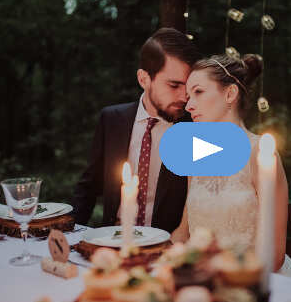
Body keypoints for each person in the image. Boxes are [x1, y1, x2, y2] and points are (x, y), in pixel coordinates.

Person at [171, 54, 291, 277]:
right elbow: (183, 233)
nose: (189, 106)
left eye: (198, 92)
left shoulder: (261, 154)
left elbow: (274, 255)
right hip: (205, 277)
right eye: (188, 97)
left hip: (257, 280)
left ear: (230, 93)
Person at [70, 28, 201, 232]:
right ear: (143, 79)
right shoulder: (112, 119)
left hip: (166, 249)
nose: (185, 97)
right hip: (112, 240)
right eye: (174, 85)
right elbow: (88, 186)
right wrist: (69, 236)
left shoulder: (195, 129)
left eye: (189, 87)